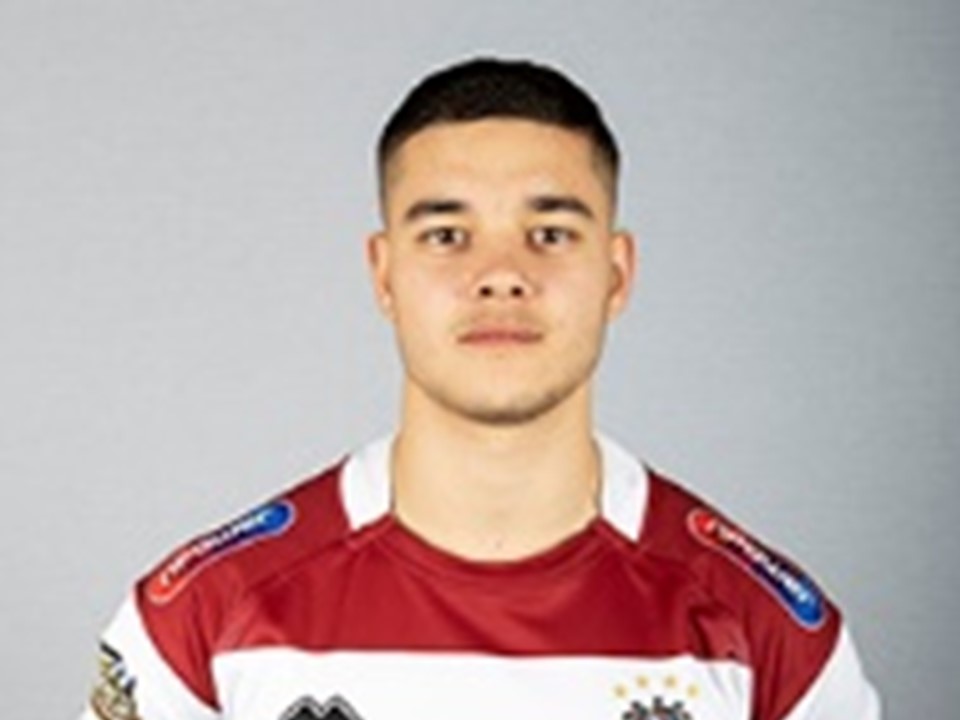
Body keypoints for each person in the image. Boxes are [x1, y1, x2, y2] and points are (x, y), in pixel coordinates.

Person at [81, 57, 880, 720]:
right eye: (447, 236)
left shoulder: (769, 640)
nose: (500, 275)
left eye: (550, 234)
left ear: (616, 273)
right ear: (384, 275)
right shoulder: (199, 626)